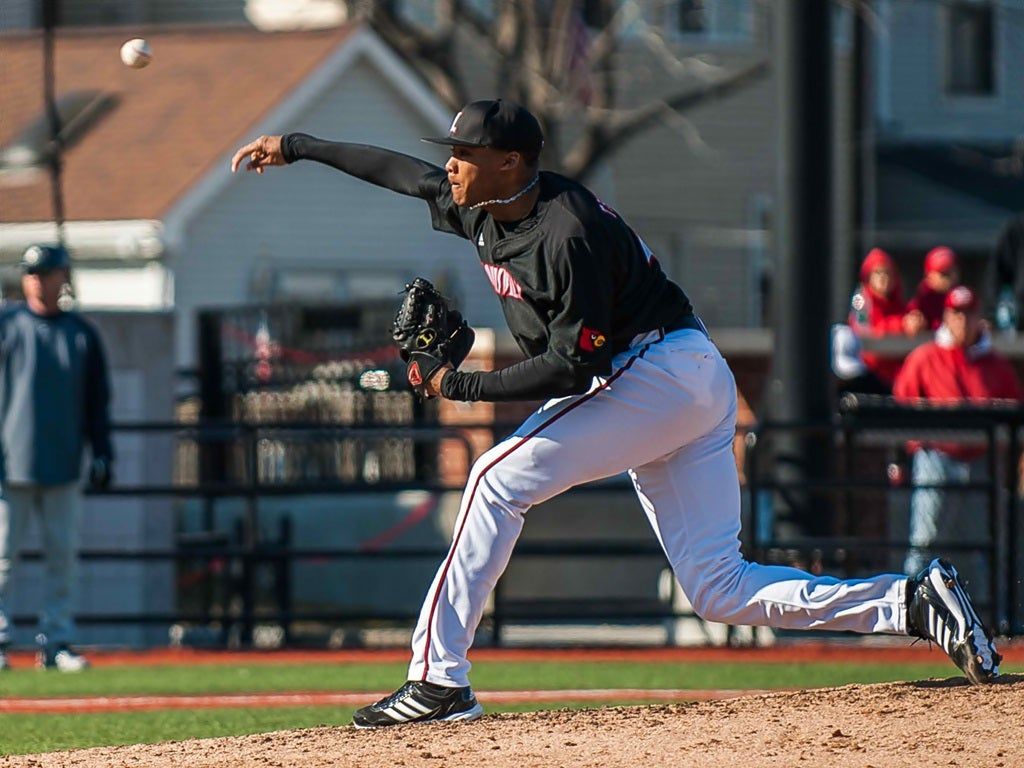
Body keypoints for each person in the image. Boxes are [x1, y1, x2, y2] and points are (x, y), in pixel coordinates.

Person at [231, 99, 1002, 726]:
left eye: (467, 154)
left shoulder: (568, 232)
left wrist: (457, 388)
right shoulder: (479, 203)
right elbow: (400, 172)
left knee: (495, 479)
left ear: (513, 163)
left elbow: (572, 368)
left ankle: (438, 680)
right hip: (678, 378)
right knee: (719, 589)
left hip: (657, 372)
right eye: (454, 153)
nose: (452, 165)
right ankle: (908, 601)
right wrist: (297, 146)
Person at [0, 245, 114, 672]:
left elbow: (97, 402)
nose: (36, 281)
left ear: (61, 276)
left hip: (63, 463)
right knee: (2, 559)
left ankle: (56, 641)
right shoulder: (7, 327)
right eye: (30, 273)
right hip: (9, 465)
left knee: (61, 558)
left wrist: (102, 452)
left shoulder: (81, 334)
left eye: (44, 273)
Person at [893, 286, 1023, 596]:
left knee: (982, 545)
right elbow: (900, 407)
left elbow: (1016, 414)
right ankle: (909, 607)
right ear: (946, 317)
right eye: (956, 313)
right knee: (925, 540)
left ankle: (986, 613)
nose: (963, 320)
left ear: (979, 317)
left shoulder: (995, 364)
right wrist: (908, 452)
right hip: (936, 458)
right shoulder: (925, 357)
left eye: (968, 313)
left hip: (981, 461)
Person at [847, 248, 911, 391]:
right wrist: (899, 326)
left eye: (888, 273)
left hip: (896, 377)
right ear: (868, 276)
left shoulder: (898, 303)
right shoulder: (860, 300)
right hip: (870, 376)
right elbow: (864, 333)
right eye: (878, 273)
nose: (883, 278)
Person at [905, 246, 959, 333]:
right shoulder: (921, 301)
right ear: (929, 275)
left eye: (952, 271)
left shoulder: (960, 296)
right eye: (943, 274)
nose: (949, 278)